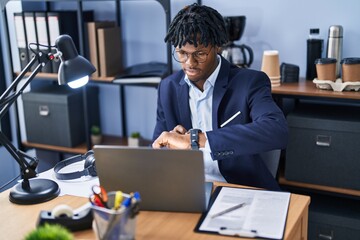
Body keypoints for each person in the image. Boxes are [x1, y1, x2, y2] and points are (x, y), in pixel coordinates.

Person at [152, 3, 288, 190]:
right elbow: (158, 149)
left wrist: (195, 140)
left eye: (200, 54)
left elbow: (277, 130)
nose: (189, 63)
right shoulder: (168, 87)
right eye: (182, 53)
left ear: (218, 47)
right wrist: (170, 145)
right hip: (188, 187)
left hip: (239, 188)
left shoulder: (250, 82)